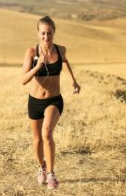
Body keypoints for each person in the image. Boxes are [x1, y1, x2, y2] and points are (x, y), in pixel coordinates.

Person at [21, 15, 81, 190]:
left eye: (50, 33)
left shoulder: (60, 50)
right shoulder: (32, 52)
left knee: (47, 134)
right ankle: (41, 168)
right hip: (35, 101)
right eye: (43, 33)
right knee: (37, 138)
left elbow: (66, 62)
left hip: (54, 100)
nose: (46, 37)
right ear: (38, 33)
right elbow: (23, 79)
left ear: (54, 33)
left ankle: (52, 174)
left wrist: (73, 81)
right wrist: (37, 66)